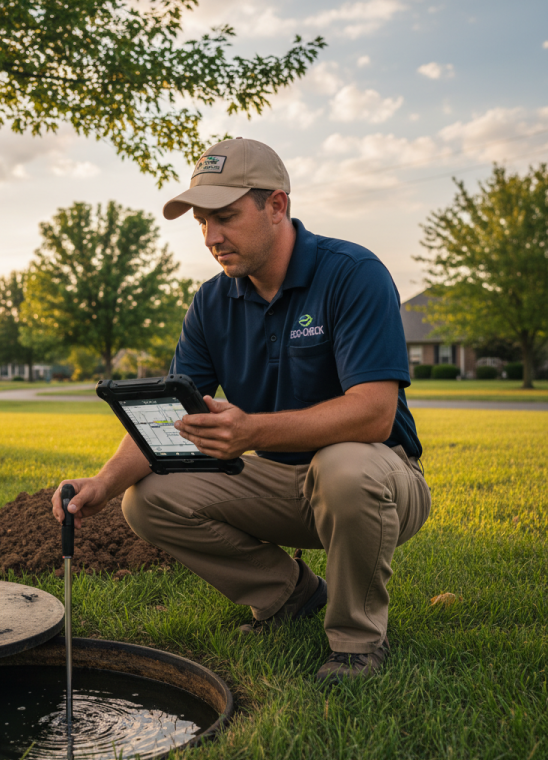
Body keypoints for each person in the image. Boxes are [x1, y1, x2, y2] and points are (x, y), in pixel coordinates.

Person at [52, 138, 431, 683]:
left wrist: (251, 428)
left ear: (276, 206)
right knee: (148, 499)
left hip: (380, 480)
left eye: (225, 217)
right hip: (279, 482)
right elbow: (166, 418)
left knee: (345, 465)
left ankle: (356, 643)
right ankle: (290, 596)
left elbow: (374, 413)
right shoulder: (211, 302)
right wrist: (102, 483)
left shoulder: (352, 273)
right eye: (202, 222)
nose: (212, 238)